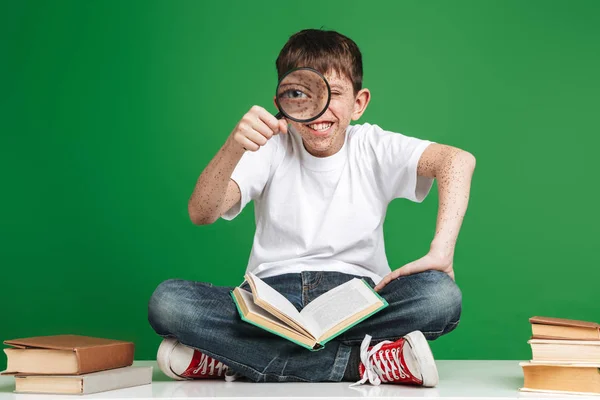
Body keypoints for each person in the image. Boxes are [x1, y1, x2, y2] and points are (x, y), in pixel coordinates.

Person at [148, 28, 476, 387]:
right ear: (285, 99)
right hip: (269, 302)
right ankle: (364, 364)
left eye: (334, 93)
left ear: (359, 102)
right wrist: (233, 146)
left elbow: (457, 161)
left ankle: (233, 358)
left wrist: (441, 250)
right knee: (168, 301)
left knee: (440, 296)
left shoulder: (372, 145)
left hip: (359, 301)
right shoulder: (271, 146)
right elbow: (202, 212)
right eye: (302, 93)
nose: (320, 108)